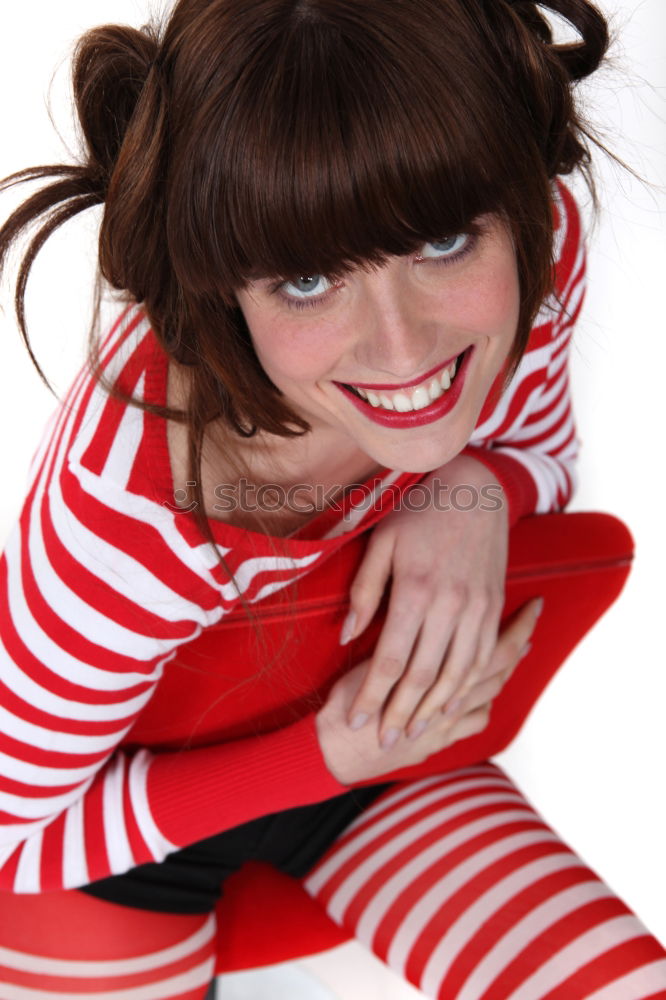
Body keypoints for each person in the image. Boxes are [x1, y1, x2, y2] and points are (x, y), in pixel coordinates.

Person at [0, 1, 664, 998]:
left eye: (443, 240)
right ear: (224, 284)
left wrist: (473, 486)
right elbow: (13, 840)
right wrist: (321, 755)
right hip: (102, 853)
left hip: (378, 767)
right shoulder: (121, 522)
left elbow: (538, 451)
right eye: (305, 278)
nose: (403, 349)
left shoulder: (538, 257)